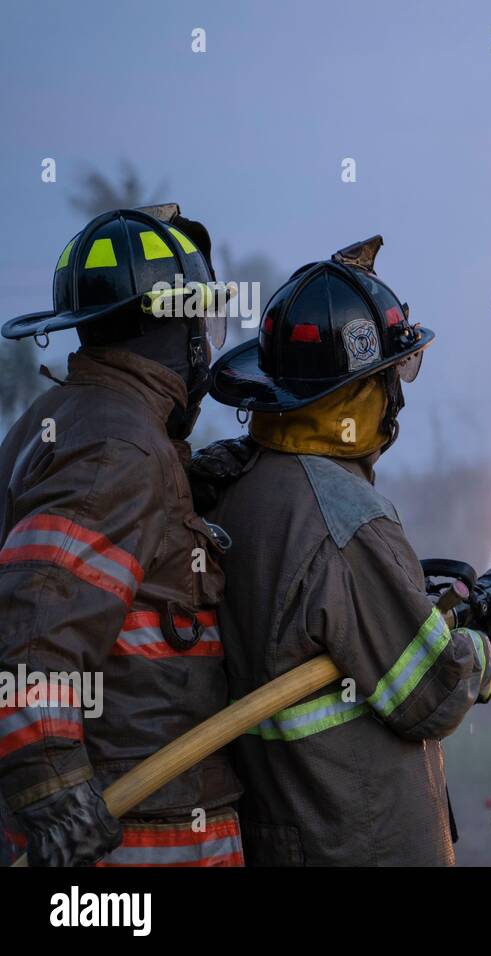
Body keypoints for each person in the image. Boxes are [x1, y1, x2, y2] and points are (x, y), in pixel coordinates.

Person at [192, 235, 491, 865]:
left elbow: (335, 629)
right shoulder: (343, 519)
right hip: (361, 843)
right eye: (390, 378)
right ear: (358, 393)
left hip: (289, 836)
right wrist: (480, 644)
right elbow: (428, 691)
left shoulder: (242, 489)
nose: (396, 397)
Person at [0, 205, 243, 866]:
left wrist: (194, 486)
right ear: (186, 329)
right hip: (139, 837)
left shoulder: (66, 420)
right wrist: (55, 790)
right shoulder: (120, 450)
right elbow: (35, 621)